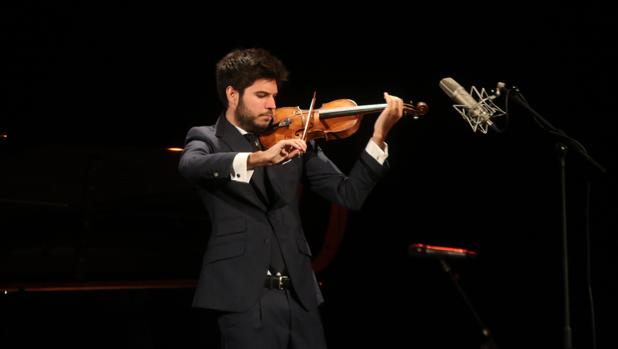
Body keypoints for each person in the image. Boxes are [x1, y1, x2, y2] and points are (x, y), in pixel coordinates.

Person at [178, 47, 404, 349]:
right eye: (261, 96)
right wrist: (258, 158)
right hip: (242, 299)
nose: (272, 104)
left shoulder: (295, 136)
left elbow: (348, 194)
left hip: (300, 296)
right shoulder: (206, 138)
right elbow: (190, 166)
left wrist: (378, 138)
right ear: (233, 94)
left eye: (274, 95)